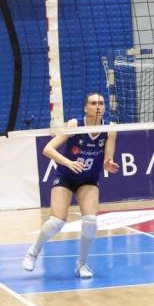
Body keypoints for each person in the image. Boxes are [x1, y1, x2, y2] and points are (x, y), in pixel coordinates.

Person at [22, 93, 119, 279]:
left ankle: (82, 264)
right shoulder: (75, 125)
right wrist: (69, 163)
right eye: (93, 103)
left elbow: (108, 159)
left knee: (90, 221)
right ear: (85, 107)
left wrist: (108, 164)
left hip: (88, 180)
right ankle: (33, 251)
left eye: (101, 103)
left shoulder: (110, 129)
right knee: (56, 222)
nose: (98, 106)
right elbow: (48, 149)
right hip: (66, 177)